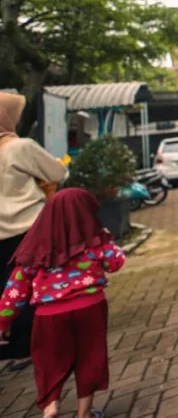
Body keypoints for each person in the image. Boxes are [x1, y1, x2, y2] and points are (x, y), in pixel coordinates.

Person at [0, 188, 124, 418]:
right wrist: (107, 238)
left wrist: (3, 321)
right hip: (91, 308)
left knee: (48, 361)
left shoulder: (34, 248)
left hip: (48, 316)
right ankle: (83, 413)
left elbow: (15, 288)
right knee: (90, 357)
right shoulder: (95, 241)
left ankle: (51, 407)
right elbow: (115, 263)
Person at [0, 92, 67, 369]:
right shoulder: (20, 147)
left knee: (9, 288)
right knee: (40, 285)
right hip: (30, 228)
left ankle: (15, 345)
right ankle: (44, 343)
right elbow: (58, 173)